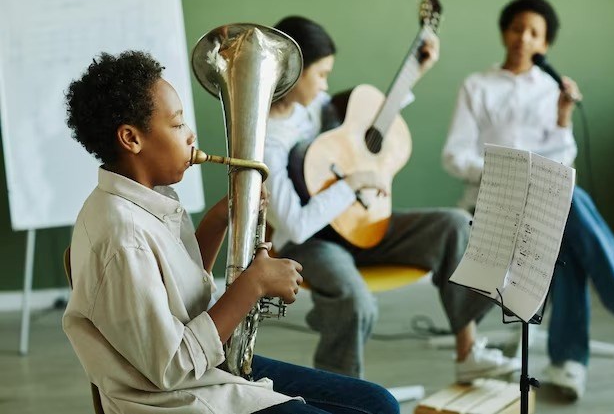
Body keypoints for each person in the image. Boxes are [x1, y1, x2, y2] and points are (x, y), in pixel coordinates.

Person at [62, 50, 402, 414]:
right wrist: (252, 284)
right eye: (177, 125)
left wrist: (220, 218)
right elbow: (172, 366)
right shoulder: (123, 236)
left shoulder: (147, 198)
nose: (191, 135)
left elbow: (181, 290)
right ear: (131, 138)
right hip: (180, 399)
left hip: (208, 373)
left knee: (379, 403)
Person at [264, 15, 520, 384]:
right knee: (357, 302)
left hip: (359, 223)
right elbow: (297, 225)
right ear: (293, 70)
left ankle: (468, 351)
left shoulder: (315, 105)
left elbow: (361, 129)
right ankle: (341, 395)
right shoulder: (269, 139)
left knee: (454, 224)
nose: (326, 84)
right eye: (321, 74)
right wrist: (351, 184)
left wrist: (414, 73)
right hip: (313, 243)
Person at [442, 0, 614, 400]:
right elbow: (454, 156)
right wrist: (510, 174)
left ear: (545, 44)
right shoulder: (478, 85)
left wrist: (563, 118)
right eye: (517, 28)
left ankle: (569, 363)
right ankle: (578, 350)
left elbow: (565, 163)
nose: (523, 38)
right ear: (504, 31)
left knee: (567, 218)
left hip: (544, 203)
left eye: (534, 33)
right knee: (568, 211)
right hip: (489, 201)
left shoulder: (550, 89)